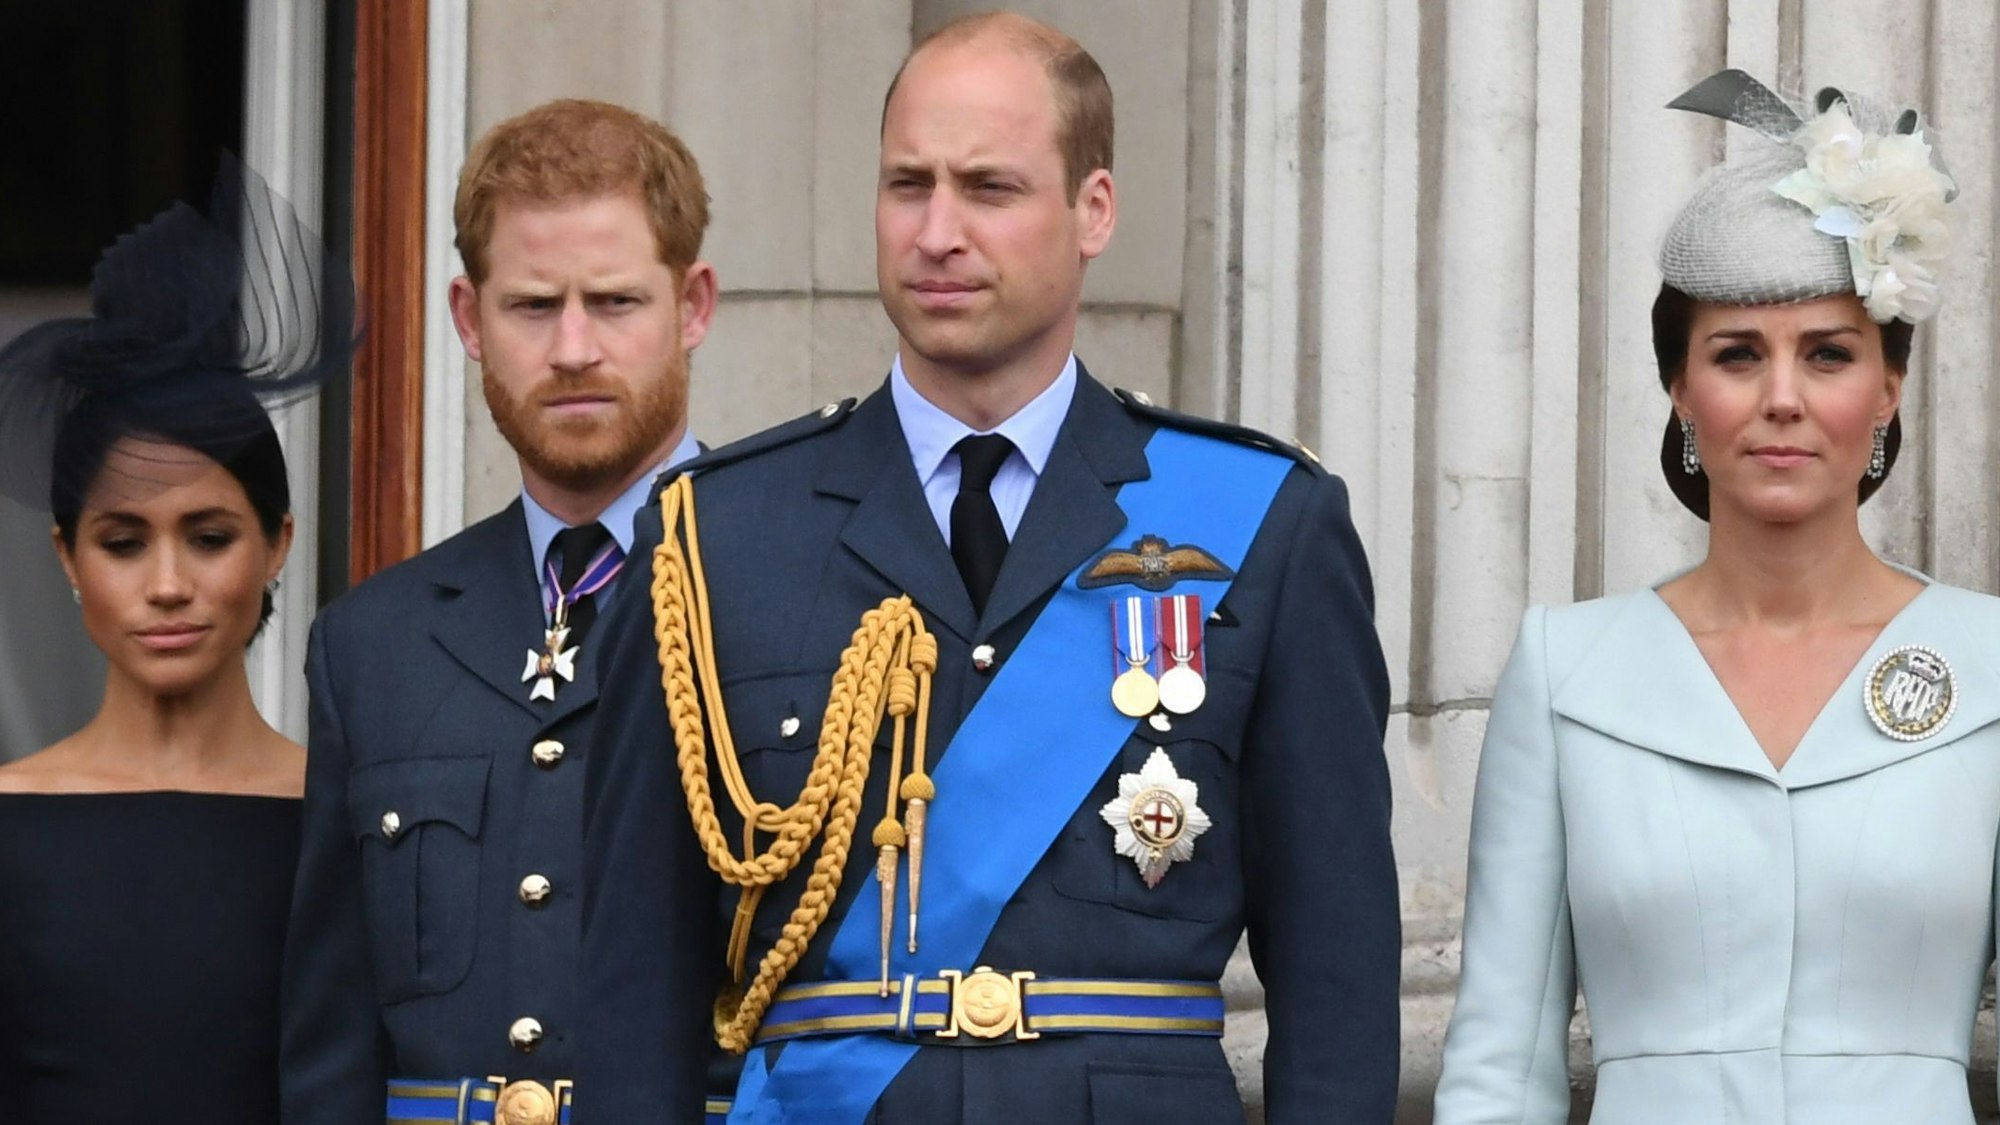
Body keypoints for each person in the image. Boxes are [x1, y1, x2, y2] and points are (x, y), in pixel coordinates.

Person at [579, 13, 1398, 1124]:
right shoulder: (712, 538)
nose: (936, 231)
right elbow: (635, 987)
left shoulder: (1265, 526)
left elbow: (1335, 975)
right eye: (906, 185)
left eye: (989, 189)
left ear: (1092, 210)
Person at [1434, 70, 1991, 1123]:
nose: (1781, 397)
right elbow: (1499, 1068)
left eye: (1826, 354)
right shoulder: (1565, 670)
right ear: (1681, 389)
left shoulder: (1990, 666)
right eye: (1736, 355)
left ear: (1886, 389)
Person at [281, 99, 717, 1125]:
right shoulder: (371, 646)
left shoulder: (801, 593)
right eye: (532, 306)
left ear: (692, 305)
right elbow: (332, 1050)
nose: (572, 348)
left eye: (613, 302)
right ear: (469, 321)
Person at [0, 160, 352, 1124]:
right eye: (122, 541)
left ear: (277, 544)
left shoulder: (349, 824)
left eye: (208, 536)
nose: (166, 584)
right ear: (67, 555)